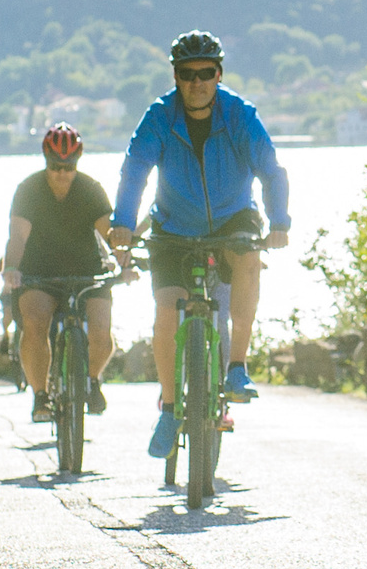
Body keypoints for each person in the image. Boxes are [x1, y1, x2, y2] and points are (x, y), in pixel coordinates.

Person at [108, 31, 292, 461]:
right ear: (175, 76)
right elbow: (134, 170)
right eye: (187, 74)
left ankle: (236, 368)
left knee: (248, 258)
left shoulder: (240, 114)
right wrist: (121, 222)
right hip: (173, 223)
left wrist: (279, 221)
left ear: (219, 74)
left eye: (206, 73)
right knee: (167, 309)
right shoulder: (159, 117)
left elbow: (270, 168)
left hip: (233, 215)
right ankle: (170, 408)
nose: (197, 82)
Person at [1, 124, 121, 422]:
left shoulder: (91, 189)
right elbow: (17, 237)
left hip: (87, 269)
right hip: (39, 271)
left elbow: (110, 234)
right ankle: (40, 395)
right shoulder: (28, 190)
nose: (62, 174)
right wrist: (12, 269)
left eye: (68, 167)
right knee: (34, 322)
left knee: (101, 333)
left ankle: (92, 380)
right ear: (46, 161)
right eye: (56, 167)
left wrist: (126, 263)